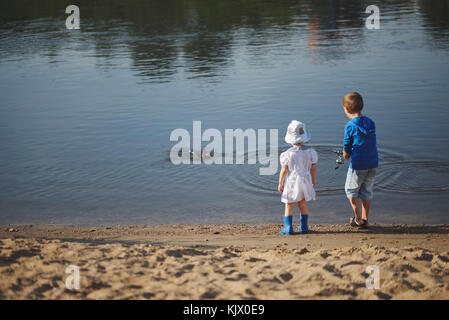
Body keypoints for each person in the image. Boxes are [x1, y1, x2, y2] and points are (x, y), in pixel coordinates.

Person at [341, 92, 378, 229]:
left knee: (350, 190)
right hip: (373, 163)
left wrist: (346, 155)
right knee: (366, 191)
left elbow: (347, 146)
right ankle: (366, 219)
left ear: (347, 109)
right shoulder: (370, 122)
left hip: (358, 165)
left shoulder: (350, 125)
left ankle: (357, 218)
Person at [278, 120, 317, 234]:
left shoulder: (287, 154)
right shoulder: (311, 152)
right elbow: (313, 169)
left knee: (289, 205)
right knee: (302, 204)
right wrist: (313, 181)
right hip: (305, 181)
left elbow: (284, 170)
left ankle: (288, 228)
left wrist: (280, 183)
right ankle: (304, 227)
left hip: (292, 181)